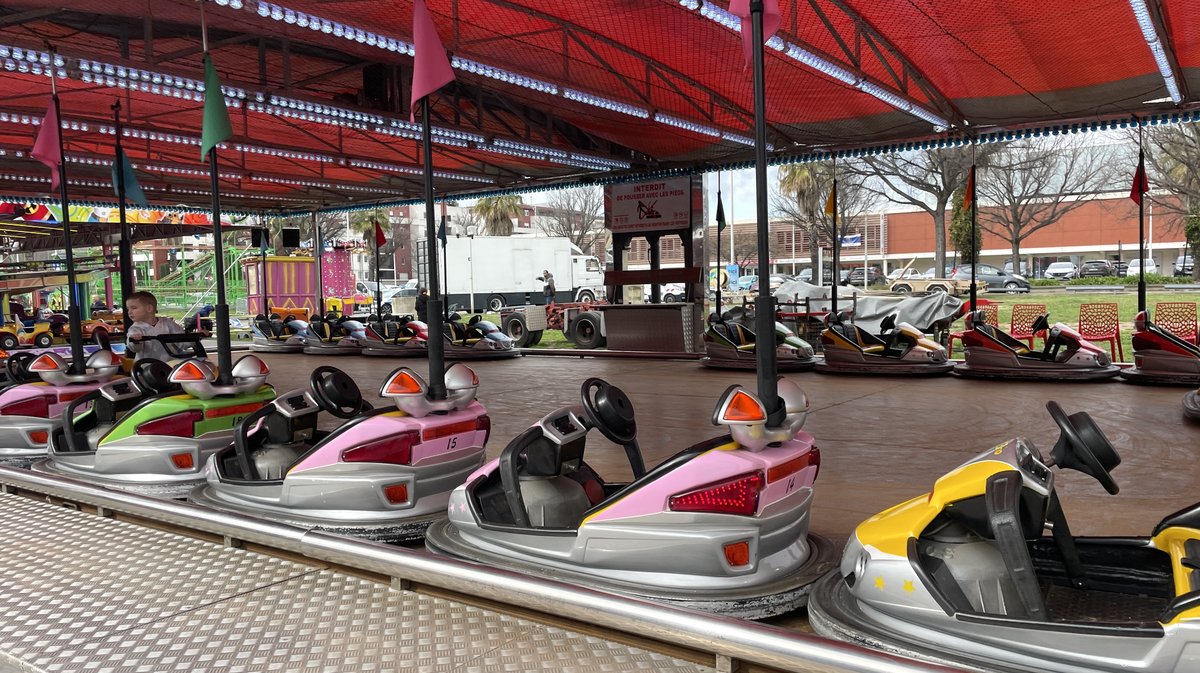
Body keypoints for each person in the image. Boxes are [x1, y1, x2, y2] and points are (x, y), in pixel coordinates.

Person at [124, 291, 185, 362]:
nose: (129, 312)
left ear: (149, 308)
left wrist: (194, 339)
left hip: (170, 364)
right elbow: (135, 348)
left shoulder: (167, 323)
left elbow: (182, 339)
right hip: (146, 366)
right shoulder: (135, 329)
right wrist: (135, 341)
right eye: (128, 309)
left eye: (134, 308)